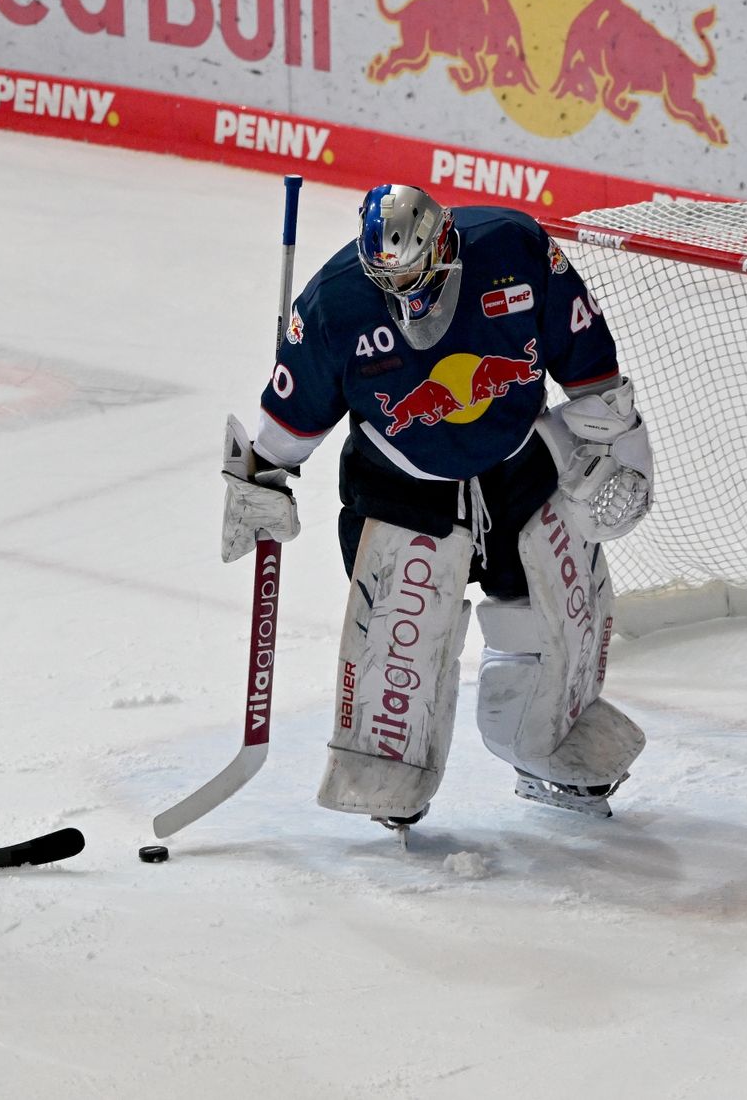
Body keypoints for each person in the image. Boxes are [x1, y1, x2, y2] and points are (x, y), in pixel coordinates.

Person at [221, 185, 654, 836]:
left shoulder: (514, 247)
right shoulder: (335, 301)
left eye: (415, 272)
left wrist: (609, 428)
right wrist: (263, 474)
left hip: (516, 468)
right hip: (400, 487)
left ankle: (552, 747)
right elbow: (290, 418)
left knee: (545, 623)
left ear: (444, 243)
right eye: (387, 278)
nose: (405, 291)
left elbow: (581, 345)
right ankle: (391, 769)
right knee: (406, 642)